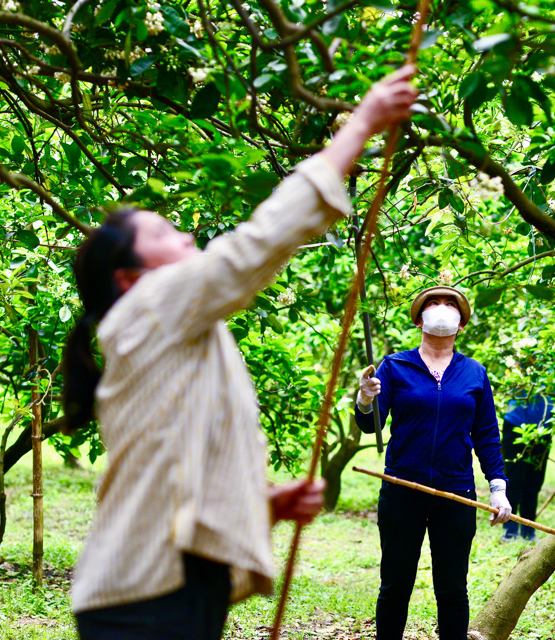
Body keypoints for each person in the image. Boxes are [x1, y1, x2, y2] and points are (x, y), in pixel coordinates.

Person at [62, 65, 419, 640]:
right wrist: (361, 128)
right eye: (165, 236)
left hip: (171, 588)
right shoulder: (149, 307)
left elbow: (178, 462)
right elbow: (253, 247)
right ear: (129, 278)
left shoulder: (182, 334)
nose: (185, 238)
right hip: (142, 597)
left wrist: (264, 505)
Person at [355, 285, 512, 640]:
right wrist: (365, 399)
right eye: (434, 303)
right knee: (395, 584)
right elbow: (371, 426)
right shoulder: (394, 366)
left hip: (455, 493)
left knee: (453, 588)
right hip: (401, 490)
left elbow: (486, 435)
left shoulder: (474, 373)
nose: (442, 309)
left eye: (449, 304)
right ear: (419, 318)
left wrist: (498, 489)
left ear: (461, 323)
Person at [501, 391, 554, 541]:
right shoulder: (516, 366)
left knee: (534, 481)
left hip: (544, 427)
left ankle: (528, 531)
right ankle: (510, 530)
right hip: (516, 424)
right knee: (513, 479)